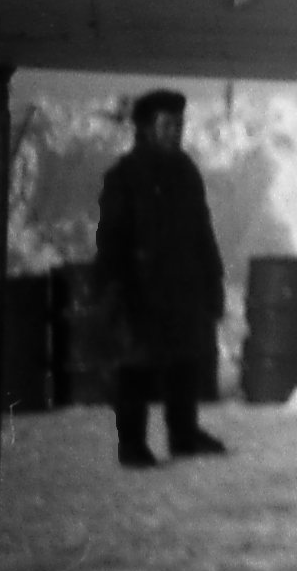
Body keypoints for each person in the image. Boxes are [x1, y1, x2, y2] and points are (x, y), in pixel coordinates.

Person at [92, 88, 228, 468]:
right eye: (167, 125)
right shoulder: (124, 176)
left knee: (185, 361)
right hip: (140, 288)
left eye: (179, 124)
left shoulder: (185, 172)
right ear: (146, 128)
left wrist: (213, 279)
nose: (175, 132)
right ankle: (132, 444)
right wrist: (114, 287)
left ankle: (183, 435)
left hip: (182, 285)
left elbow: (202, 231)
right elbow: (111, 237)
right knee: (136, 366)